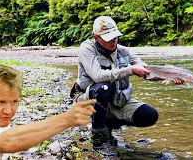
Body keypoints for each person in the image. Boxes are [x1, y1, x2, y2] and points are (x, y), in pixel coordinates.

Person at [70, 16, 184, 157]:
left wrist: (170, 76)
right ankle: (98, 140)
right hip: (87, 100)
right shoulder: (87, 48)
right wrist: (131, 70)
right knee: (103, 87)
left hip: (116, 100)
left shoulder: (124, 51)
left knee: (150, 115)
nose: (113, 41)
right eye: (108, 38)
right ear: (96, 37)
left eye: (115, 37)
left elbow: (146, 71)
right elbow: (97, 76)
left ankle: (109, 127)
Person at [0, 64, 97, 160]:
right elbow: (10, 142)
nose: (9, 111)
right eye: (1, 102)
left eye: (14, 102)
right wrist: (67, 119)